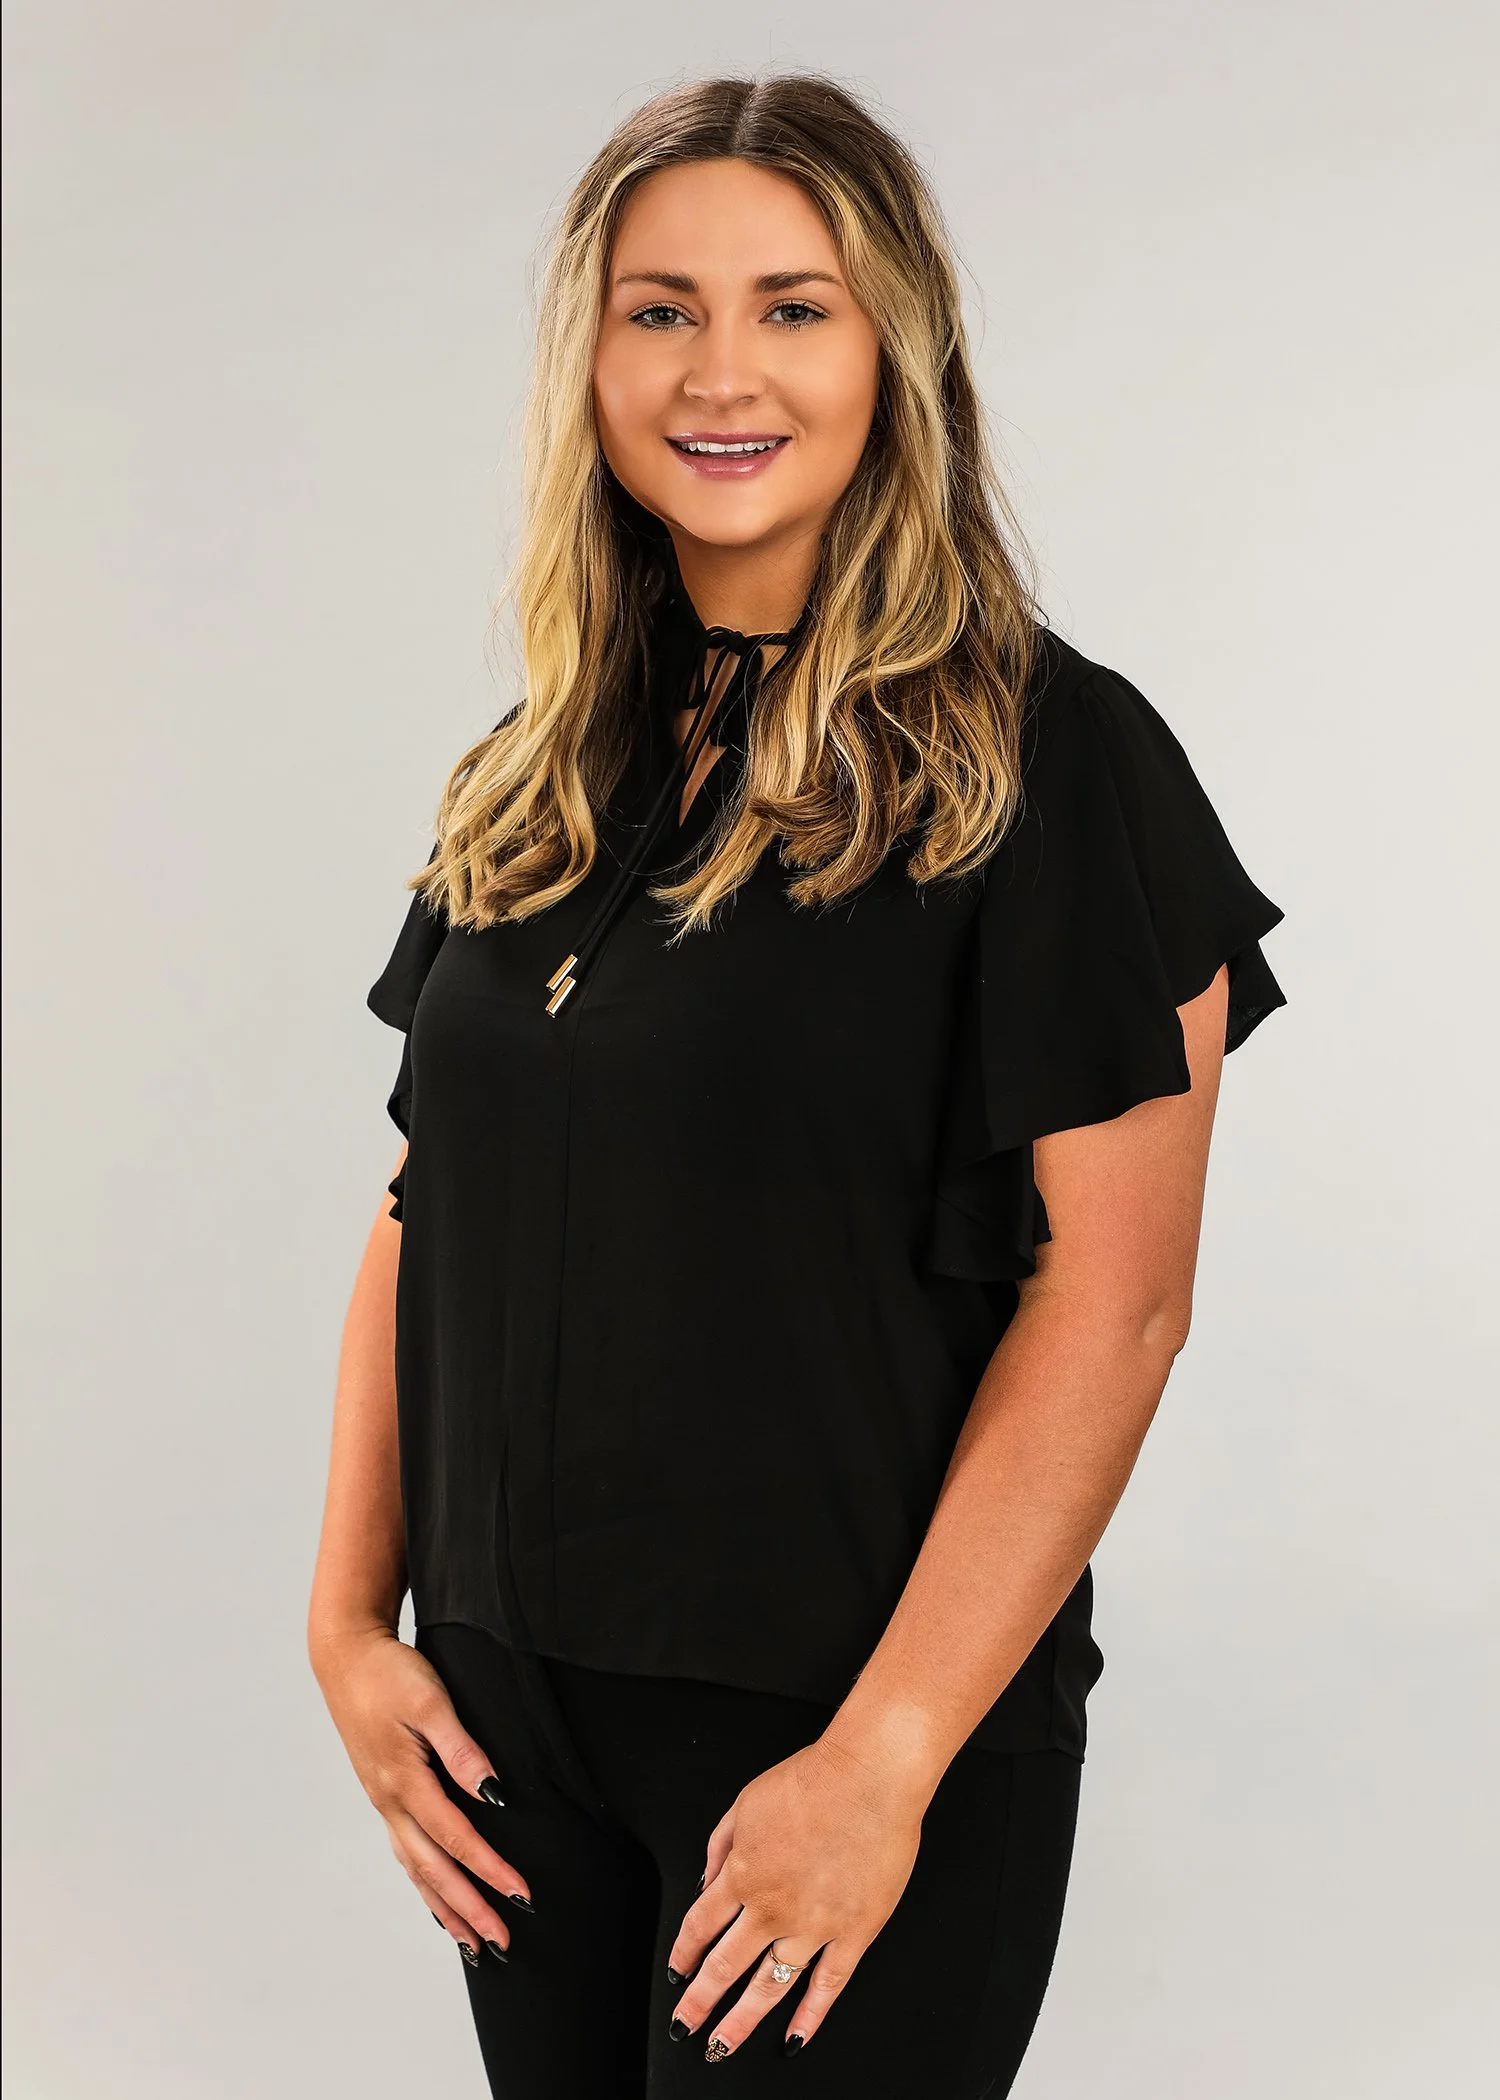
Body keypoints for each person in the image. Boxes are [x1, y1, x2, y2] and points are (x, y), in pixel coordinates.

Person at [308, 72, 1286, 2100]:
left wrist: (887, 1759)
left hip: (838, 1736)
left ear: (895, 352)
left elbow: (1116, 1305)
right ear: (590, 355)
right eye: (661, 309)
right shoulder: (536, 770)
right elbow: (424, 1210)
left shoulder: (1056, 765)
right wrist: (347, 1625)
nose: (719, 370)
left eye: (794, 306)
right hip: (511, 1734)